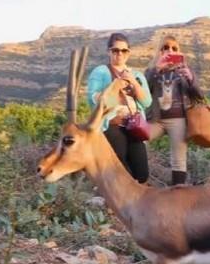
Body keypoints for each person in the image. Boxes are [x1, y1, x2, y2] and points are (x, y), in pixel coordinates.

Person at [86, 33, 153, 183]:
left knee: (142, 173)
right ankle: (116, 197)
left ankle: (127, 194)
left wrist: (133, 83)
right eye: (115, 50)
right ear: (109, 52)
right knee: (120, 167)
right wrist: (116, 84)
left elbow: (147, 102)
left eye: (124, 51)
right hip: (112, 123)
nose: (120, 54)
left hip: (134, 126)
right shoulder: (101, 71)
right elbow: (93, 100)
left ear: (129, 52)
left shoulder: (136, 75)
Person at [144, 36, 203, 186]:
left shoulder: (184, 70)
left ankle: (179, 194)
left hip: (178, 119)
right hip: (156, 120)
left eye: (174, 48)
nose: (170, 50)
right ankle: (137, 181)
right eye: (166, 47)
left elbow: (199, 95)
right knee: (138, 140)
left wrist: (190, 79)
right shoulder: (152, 70)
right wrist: (156, 69)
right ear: (160, 50)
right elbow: (144, 91)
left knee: (178, 160)